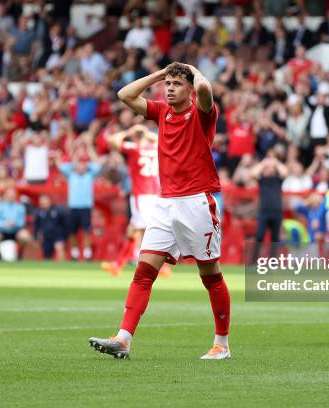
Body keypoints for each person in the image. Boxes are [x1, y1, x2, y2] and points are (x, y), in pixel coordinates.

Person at [89, 62, 230, 360]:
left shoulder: (203, 113)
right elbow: (125, 94)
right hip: (164, 203)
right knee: (143, 272)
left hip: (197, 201)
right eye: (167, 84)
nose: (169, 88)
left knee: (210, 275)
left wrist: (190, 69)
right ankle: (123, 339)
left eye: (176, 84)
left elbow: (205, 88)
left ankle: (222, 345)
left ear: (189, 89)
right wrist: (160, 74)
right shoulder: (160, 112)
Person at [101, 123, 171, 278]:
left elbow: (112, 141)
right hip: (155, 194)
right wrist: (146, 133)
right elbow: (162, 139)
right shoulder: (155, 148)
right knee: (137, 229)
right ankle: (118, 264)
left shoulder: (135, 149)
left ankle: (162, 267)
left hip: (141, 195)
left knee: (140, 230)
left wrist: (128, 131)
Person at [250, 151, 288, 262]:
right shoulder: (262, 180)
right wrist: (264, 162)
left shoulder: (278, 180)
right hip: (264, 212)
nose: (269, 169)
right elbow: (253, 173)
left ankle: (273, 263)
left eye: (271, 168)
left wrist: (275, 162)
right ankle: (254, 262)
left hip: (276, 212)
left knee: (275, 239)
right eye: (267, 168)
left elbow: (285, 172)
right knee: (259, 236)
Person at [0, 187, 31, 260]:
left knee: (25, 236)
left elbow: (22, 222)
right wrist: (5, 224)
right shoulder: (0, 206)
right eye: (9, 195)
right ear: (5, 195)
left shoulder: (20, 207)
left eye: (12, 195)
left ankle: (20, 253)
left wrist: (14, 224)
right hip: (3, 231)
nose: (11, 197)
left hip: (15, 231)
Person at [33, 194, 67, 260]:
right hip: (46, 237)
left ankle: (63, 267)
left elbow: (65, 224)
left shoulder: (58, 211)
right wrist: (35, 237)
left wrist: (64, 237)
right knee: (47, 256)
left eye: (45, 200)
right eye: (42, 201)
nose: (44, 202)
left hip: (57, 236)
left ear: (50, 201)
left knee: (59, 247)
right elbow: (36, 226)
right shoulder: (38, 212)